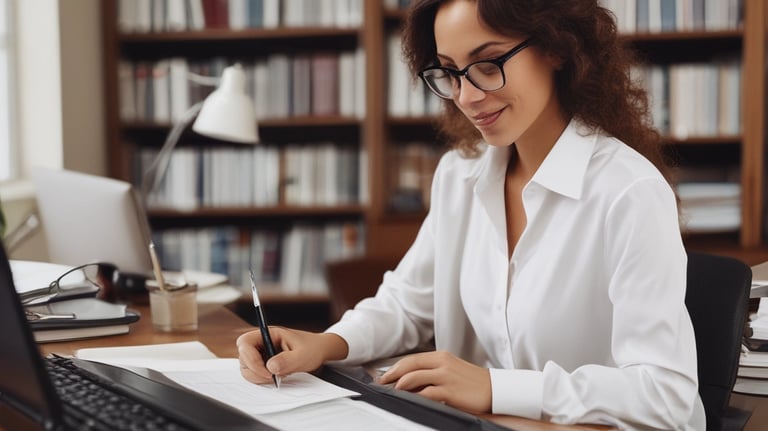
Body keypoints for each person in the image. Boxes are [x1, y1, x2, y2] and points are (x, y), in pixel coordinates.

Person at [237, 0, 704, 428]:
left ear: (558, 49)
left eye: (487, 64)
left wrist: (494, 387)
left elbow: (667, 397)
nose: (466, 95)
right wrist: (325, 344)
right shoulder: (460, 175)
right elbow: (407, 301)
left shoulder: (629, 192)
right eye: (450, 72)